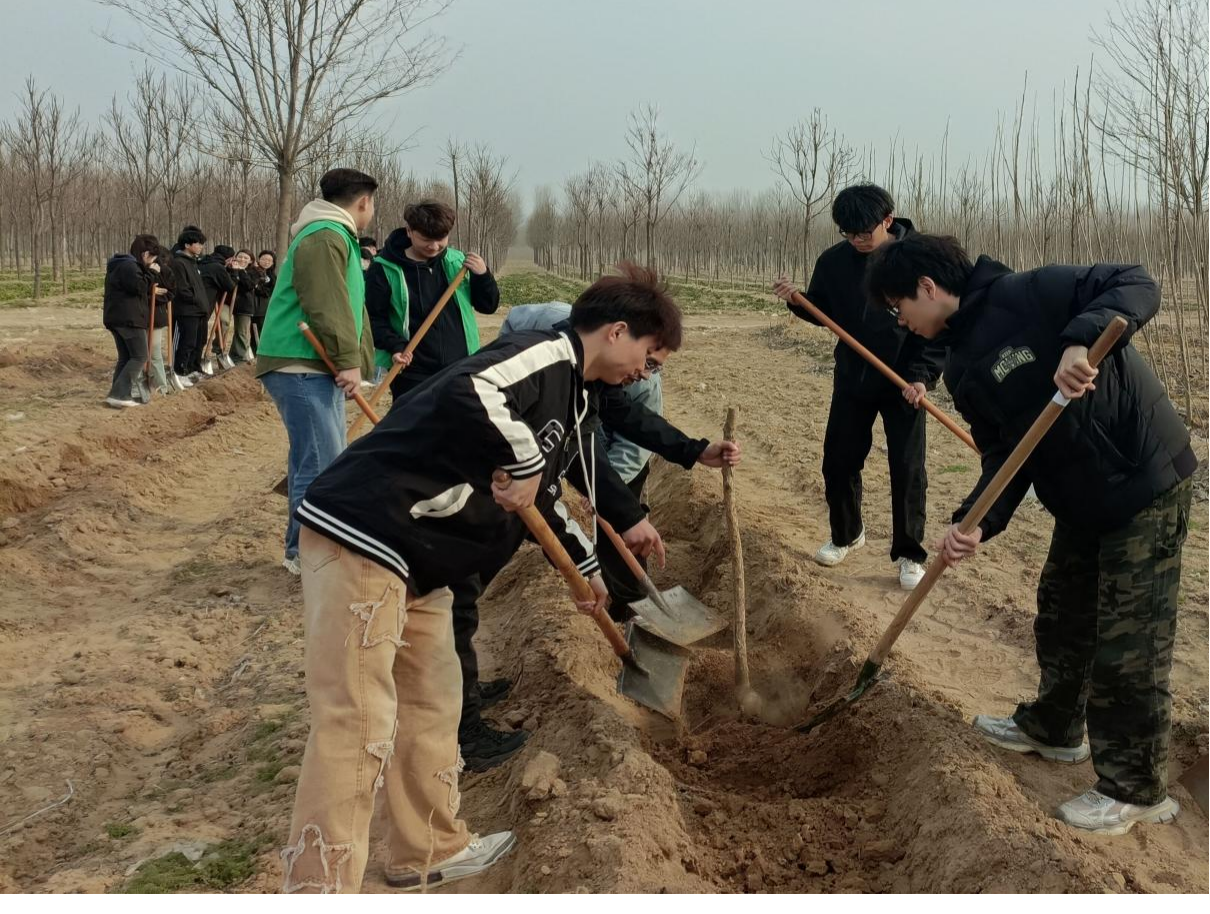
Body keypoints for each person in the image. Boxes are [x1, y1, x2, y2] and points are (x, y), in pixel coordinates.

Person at [280, 263, 682, 893]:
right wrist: (523, 458)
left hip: (424, 559)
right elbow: (473, 387)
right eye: (649, 358)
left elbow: (542, 493)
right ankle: (318, 883)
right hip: (369, 535)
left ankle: (428, 850)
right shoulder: (544, 354)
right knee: (356, 722)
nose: (645, 373)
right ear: (617, 332)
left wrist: (586, 569)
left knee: (432, 703)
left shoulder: (575, 396)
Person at [865, 232, 1197, 836]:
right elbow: (1004, 456)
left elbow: (1136, 282)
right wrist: (975, 521)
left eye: (899, 307)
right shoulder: (960, 365)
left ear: (927, 288)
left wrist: (1078, 341)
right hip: (1079, 499)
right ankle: (1055, 728)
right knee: (1062, 615)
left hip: (1141, 478)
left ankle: (1136, 788)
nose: (901, 321)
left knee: (1130, 641)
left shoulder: (1031, 292)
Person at [773, 183, 945, 590]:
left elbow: (938, 326)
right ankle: (846, 534)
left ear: (888, 220)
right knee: (839, 459)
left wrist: (921, 377)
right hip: (854, 376)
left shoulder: (920, 260)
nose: (856, 241)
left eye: (864, 233)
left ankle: (909, 553)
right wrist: (799, 302)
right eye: (848, 233)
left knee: (907, 468)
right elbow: (824, 311)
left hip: (905, 382)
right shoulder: (834, 262)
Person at [255, 168, 378, 575]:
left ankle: (301, 548)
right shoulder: (325, 236)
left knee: (312, 458)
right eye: (372, 205)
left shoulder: (332, 235)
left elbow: (349, 304)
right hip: (301, 363)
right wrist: (347, 361)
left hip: (310, 364)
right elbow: (326, 305)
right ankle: (307, 555)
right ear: (364, 202)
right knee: (322, 464)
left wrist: (357, 358)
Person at [365, 201, 500, 402]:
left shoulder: (458, 262)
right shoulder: (384, 268)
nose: (434, 247)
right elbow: (374, 319)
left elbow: (488, 306)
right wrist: (396, 346)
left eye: (441, 239)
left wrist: (483, 276)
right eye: (426, 240)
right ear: (409, 231)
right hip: (412, 372)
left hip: (460, 367)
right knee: (416, 421)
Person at [102, 233, 160, 408]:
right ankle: (120, 394)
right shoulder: (129, 266)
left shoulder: (120, 265)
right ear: (145, 254)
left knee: (126, 357)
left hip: (118, 317)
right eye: (152, 258)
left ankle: (117, 394)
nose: (152, 262)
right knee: (140, 355)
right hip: (128, 318)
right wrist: (152, 273)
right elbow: (139, 287)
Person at [168, 226, 209, 380]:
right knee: (187, 341)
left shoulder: (193, 263)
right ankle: (180, 371)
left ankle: (193, 368)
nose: (201, 246)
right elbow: (182, 289)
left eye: (201, 244)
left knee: (200, 341)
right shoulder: (178, 263)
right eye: (198, 243)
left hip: (199, 310)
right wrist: (195, 300)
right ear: (187, 245)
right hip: (187, 311)